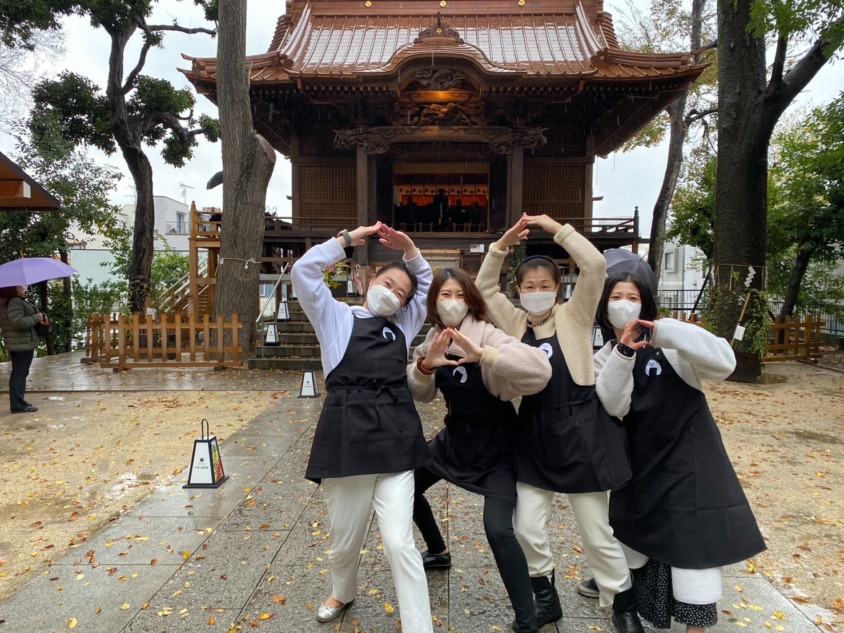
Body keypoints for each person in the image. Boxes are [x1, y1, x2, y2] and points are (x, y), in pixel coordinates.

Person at [474, 214, 641, 633]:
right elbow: (484, 289)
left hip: (582, 429)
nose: (537, 293)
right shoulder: (514, 323)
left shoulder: (575, 315)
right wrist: (501, 246)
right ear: (519, 291)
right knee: (527, 527)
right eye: (529, 287)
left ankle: (623, 606)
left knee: (597, 531)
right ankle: (546, 601)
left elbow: (595, 266)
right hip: (533, 432)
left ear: (559, 288)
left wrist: (554, 228)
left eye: (545, 285)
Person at [593, 268, 766, 633]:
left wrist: (663, 332)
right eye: (615, 298)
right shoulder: (605, 355)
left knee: (693, 542)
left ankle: (695, 628)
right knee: (639, 536)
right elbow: (614, 404)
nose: (623, 305)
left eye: (632, 298)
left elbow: (724, 363)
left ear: (646, 303)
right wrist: (624, 352)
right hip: (640, 459)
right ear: (604, 306)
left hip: (692, 455)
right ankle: (637, 603)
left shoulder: (672, 340)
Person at [290, 222, 434, 633]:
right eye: (388, 283)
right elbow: (303, 271)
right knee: (345, 539)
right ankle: (343, 591)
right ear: (370, 280)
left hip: (396, 438)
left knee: (399, 542)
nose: (394, 294)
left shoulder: (402, 327)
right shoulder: (335, 316)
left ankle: (419, 626)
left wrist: (410, 249)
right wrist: (348, 240)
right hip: (346, 436)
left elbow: (426, 287)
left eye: (401, 293)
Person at [407, 268, 552, 633]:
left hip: (498, 446)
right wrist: (425, 366)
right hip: (455, 440)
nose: (452, 302)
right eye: (445, 295)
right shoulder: (433, 339)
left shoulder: (489, 334)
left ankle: (528, 618)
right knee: (405, 488)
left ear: (471, 300)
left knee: (498, 530)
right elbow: (421, 394)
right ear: (434, 302)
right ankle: (438, 551)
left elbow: (540, 370)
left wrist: (484, 355)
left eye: (459, 295)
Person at [0, 286, 49, 414]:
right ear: (13, 288)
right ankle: (17, 405)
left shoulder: (6, 301)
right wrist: (37, 317)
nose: (23, 287)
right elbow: (18, 321)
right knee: (19, 374)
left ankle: (18, 402)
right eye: (20, 286)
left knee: (18, 373)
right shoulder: (14, 301)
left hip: (18, 343)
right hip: (22, 344)